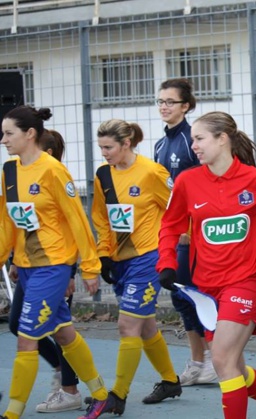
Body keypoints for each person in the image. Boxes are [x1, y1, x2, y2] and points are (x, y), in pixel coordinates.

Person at [157, 111, 256, 419]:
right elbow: (170, 227)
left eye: (199, 139)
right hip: (206, 289)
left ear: (222, 139)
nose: (194, 146)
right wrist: (167, 263)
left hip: (246, 281)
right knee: (234, 367)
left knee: (223, 360)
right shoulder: (187, 182)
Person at [0, 106, 109, 419]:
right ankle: (101, 395)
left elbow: (78, 221)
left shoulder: (53, 171)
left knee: (25, 337)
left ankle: (12, 413)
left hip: (54, 266)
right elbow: (7, 224)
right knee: (62, 332)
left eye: (9, 133)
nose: (3, 139)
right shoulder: (8, 170)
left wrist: (89, 268)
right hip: (28, 267)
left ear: (29, 134)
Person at [89, 119, 182, 416]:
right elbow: (101, 218)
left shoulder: (152, 172)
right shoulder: (103, 175)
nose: (104, 153)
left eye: (109, 147)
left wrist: (174, 250)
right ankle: (170, 381)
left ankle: (118, 394)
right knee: (145, 326)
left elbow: (177, 209)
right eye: (101, 147)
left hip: (148, 258)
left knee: (127, 325)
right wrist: (103, 255)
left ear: (126, 143)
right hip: (120, 261)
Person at [6, 129, 83, 414]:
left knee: (59, 330)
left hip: (55, 267)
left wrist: (71, 272)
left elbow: (73, 228)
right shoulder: (20, 178)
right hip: (29, 265)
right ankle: (63, 369)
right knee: (19, 324)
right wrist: (15, 259)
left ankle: (70, 388)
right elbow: (23, 224)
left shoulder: (55, 179)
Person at [153, 78, 216, 386]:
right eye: (160, 101)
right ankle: (197, 361)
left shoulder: (193, 142)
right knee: (180, 297)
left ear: (186, 106)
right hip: (175, 233)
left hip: (196, 235)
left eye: (170, 101)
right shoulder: (160, 144)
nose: (164, 106)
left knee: (198, 296)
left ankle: (215, 358)